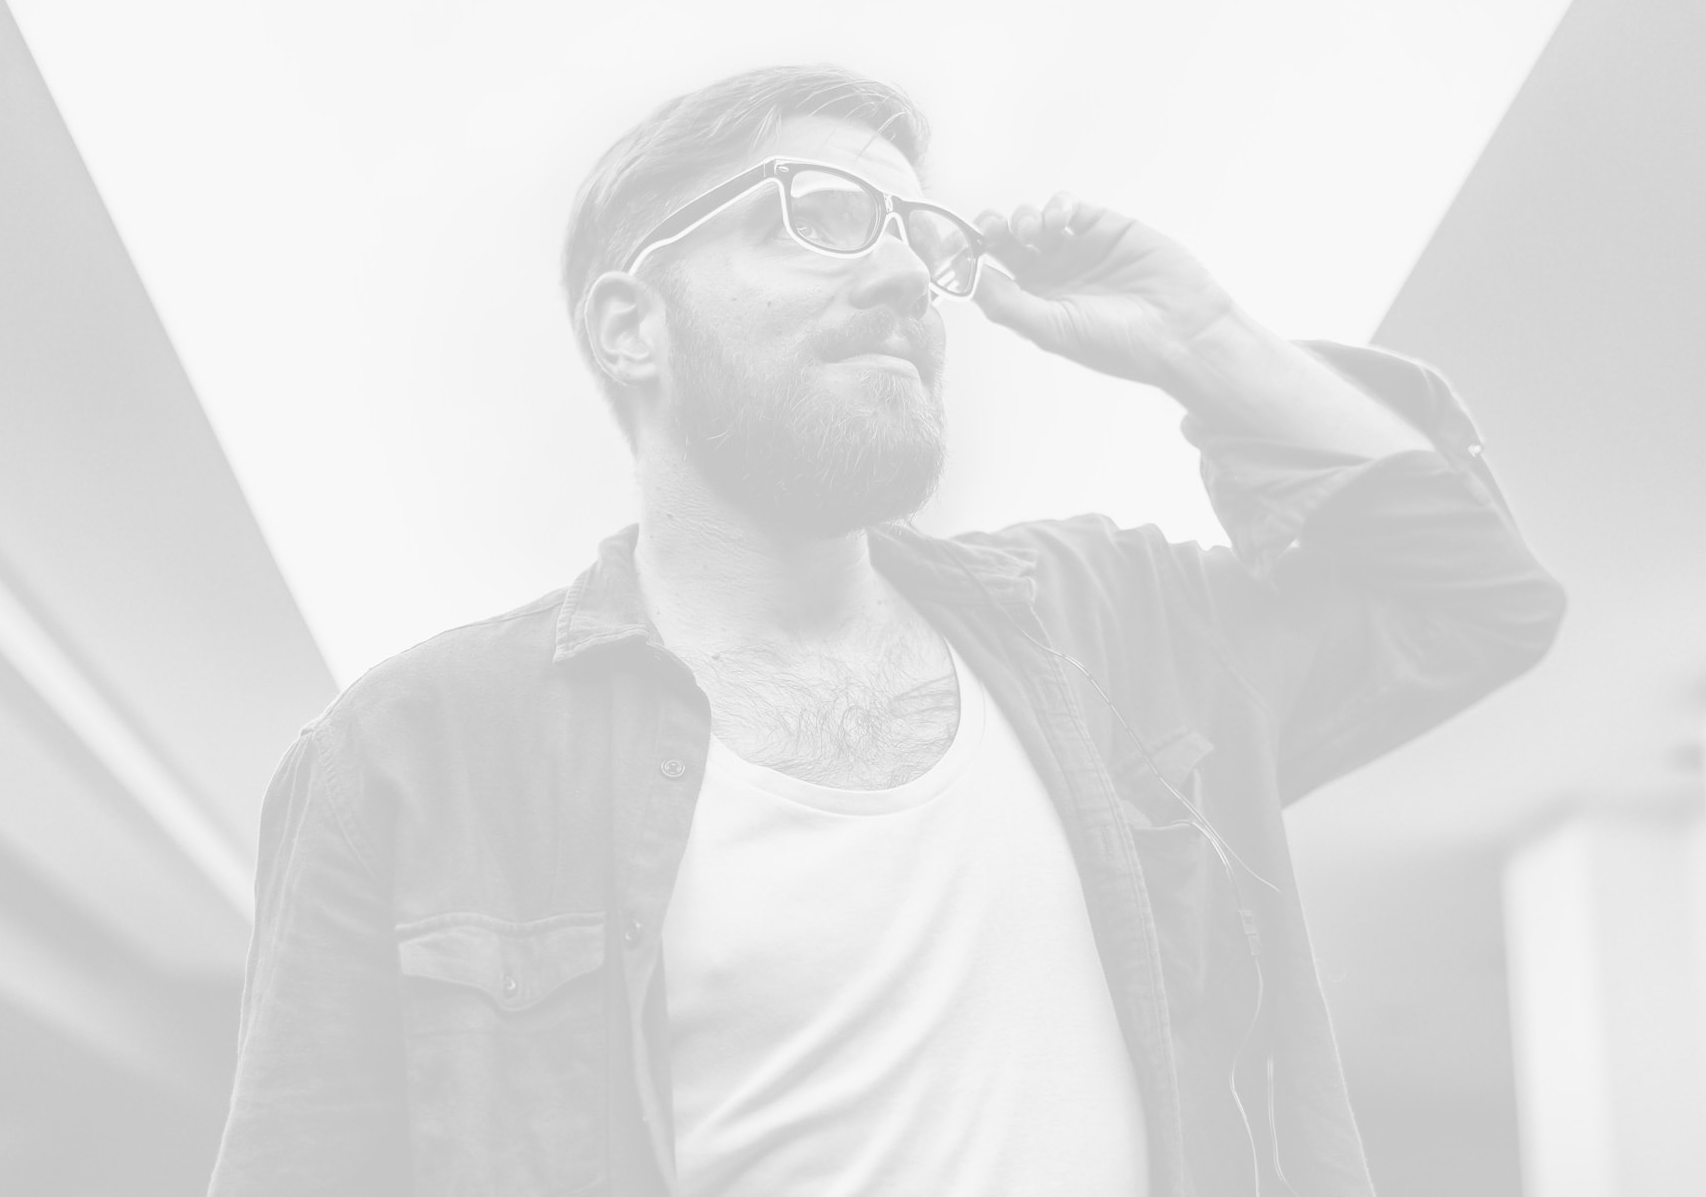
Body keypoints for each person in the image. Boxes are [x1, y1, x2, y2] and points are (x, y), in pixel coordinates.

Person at [207, 65, 1564, 1197]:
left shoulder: (1106, 622)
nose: (908, 276)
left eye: (918, 237)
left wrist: (1200, 338)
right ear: (631, 327)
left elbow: (1465, 600)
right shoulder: (413, 749)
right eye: (816, 215)